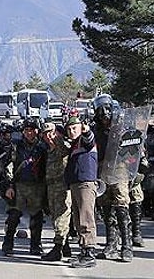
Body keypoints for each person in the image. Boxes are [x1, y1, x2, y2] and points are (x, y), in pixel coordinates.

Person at [92, 95, 133, 262]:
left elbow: (133, 150)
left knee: (122, 207)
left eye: (106, 114)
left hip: (120, 170)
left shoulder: (122, 129)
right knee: (106, 208)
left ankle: (127, 246)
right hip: (103, 170)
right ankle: (111, 244)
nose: (104, 117)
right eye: (101, 115)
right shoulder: (96, 131)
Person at [1, 118, 49, 256]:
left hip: (37, 186)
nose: (29, 133)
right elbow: (8, 166)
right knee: (13, 216)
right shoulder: (16, 146)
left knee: (36, 217)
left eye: (32, 130)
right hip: (19, 185)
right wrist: (9, 186)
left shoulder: (42, 147)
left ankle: (35, 245)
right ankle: (8, 243)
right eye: (26, 130)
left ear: (37, 131)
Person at [63, 115, 98, 268]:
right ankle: (84, 251)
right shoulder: (75, 144)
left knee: (86, 219)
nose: (71, 131)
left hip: (85, 183)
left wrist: (86, 130)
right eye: (69, 129)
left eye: (74, 128)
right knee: (78, 220)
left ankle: (89, 253)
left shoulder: (84, 139)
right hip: (76, 184)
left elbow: (90, 139)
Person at [41, 121, 73, 261]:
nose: (49, 136)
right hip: (52, 187)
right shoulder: (49, 150)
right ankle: (65, 246)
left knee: (62, 217)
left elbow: (65, 149)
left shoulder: (62, 146)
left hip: (62, 187)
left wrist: (57, 137)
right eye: (46, 134)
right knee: (55, 217)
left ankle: (58, 248)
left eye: (51, 133)